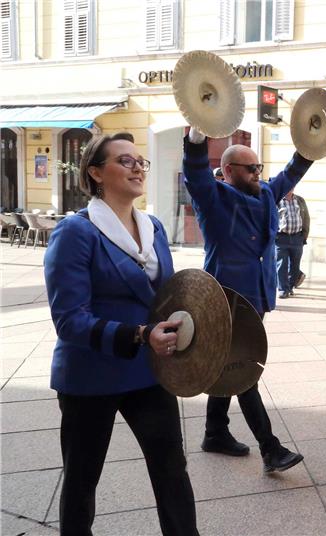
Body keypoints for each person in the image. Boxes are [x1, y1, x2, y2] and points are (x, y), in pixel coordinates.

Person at [44, 132, 198, 535]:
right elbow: (69, 319)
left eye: (140, 162)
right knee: (82, 479)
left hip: (148, 371)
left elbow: (163, 295)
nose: (137, 168)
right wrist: (138, 334)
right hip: (90, 374)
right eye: (124, 161)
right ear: (96, 173)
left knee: (171, 469)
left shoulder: (154, 227)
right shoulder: (76, 232)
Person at [183, 128, 308, 473]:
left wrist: (309, 147)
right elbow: (194, 173)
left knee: (227, 365)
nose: (257, 173)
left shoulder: (266, 192)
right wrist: (196, 139)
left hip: (258, 295)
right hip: (225, 296)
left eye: (258, 167)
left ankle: (215, 432)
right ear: (228, 172)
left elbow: (291, 174)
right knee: (244, 369)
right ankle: (271, 448)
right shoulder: (213, 196)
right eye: (250, 168)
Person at [276, 187, 309, 299]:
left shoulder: (300, 200)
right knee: (281, 264)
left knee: (295, 267)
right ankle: (283, 289)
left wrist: (304, 236)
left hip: (297, 238)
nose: (290, 188)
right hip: (281, 238)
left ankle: (289, 286)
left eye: (292, 186)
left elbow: (306, 218)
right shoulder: (277, 200)